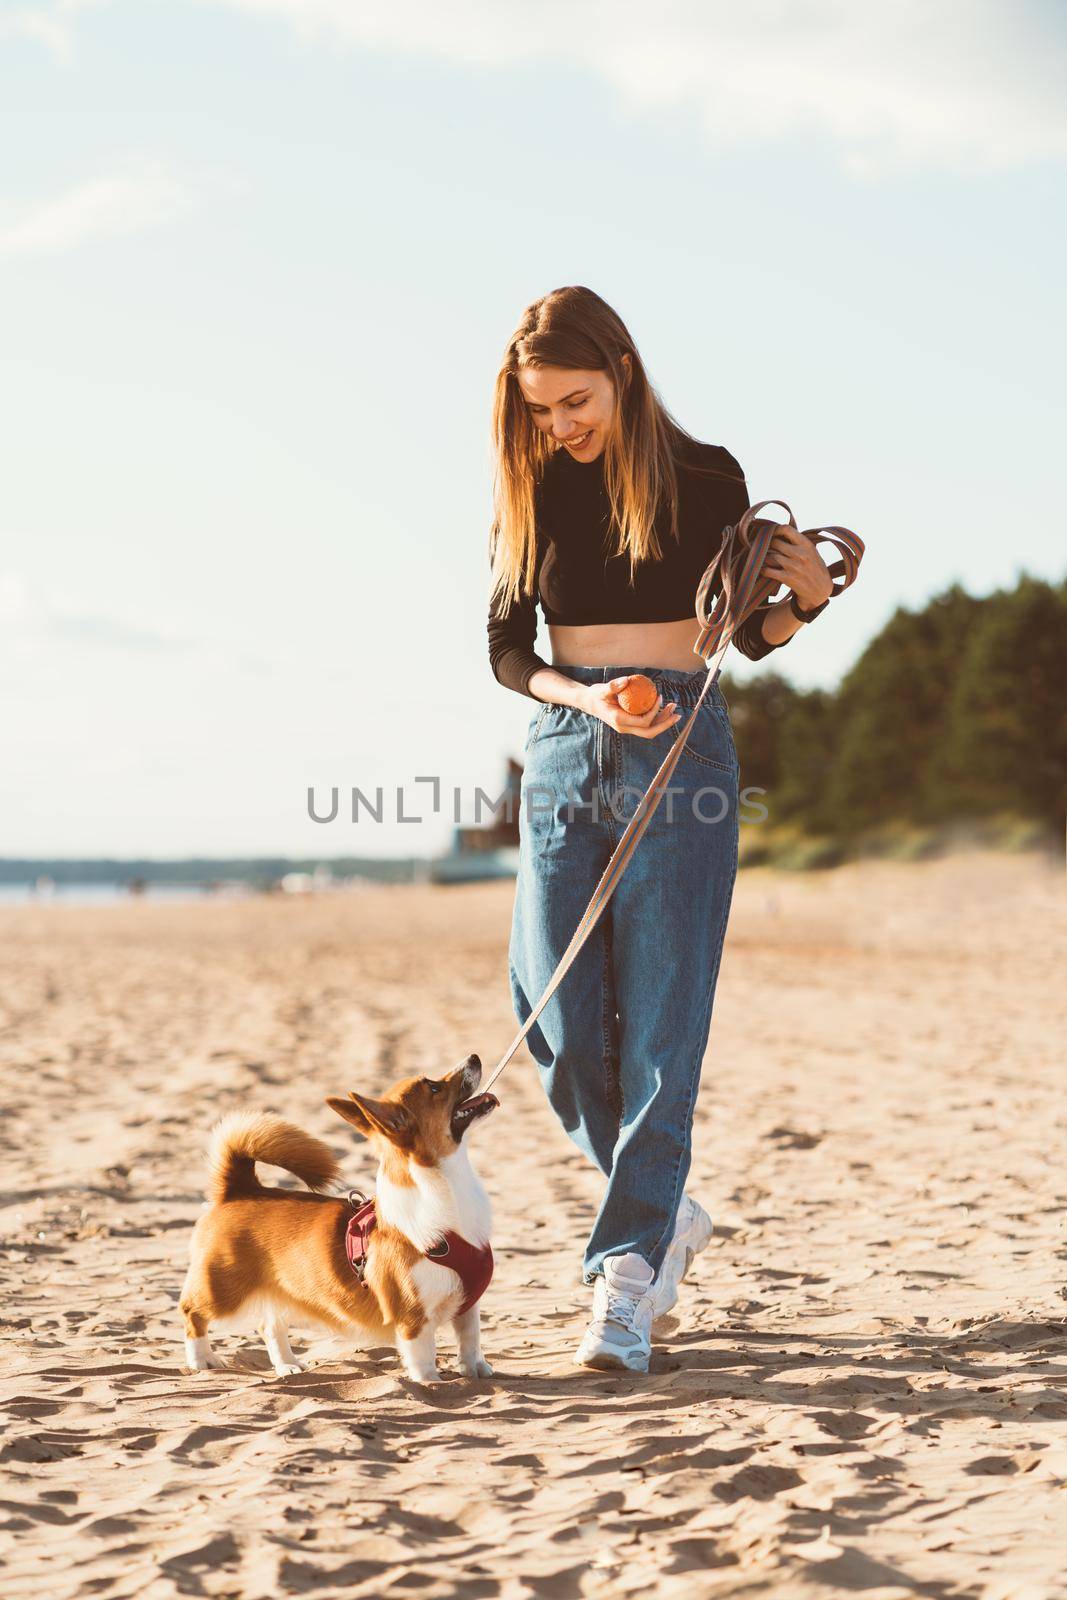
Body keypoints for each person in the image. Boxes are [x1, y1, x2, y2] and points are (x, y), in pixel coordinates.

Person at [486, 286, 833, 1373]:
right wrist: (583, 699)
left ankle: (624, 1282)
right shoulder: (529, 483)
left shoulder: (708, 478)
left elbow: (751, 636)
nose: (559, 427)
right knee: (546, 1014)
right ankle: (666, 1209)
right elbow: (503, 647)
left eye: (574, 401)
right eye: (541, 410)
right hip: (562, 743)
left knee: (662, 1027)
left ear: (622, 374)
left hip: (680, 743)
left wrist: (810, 600)